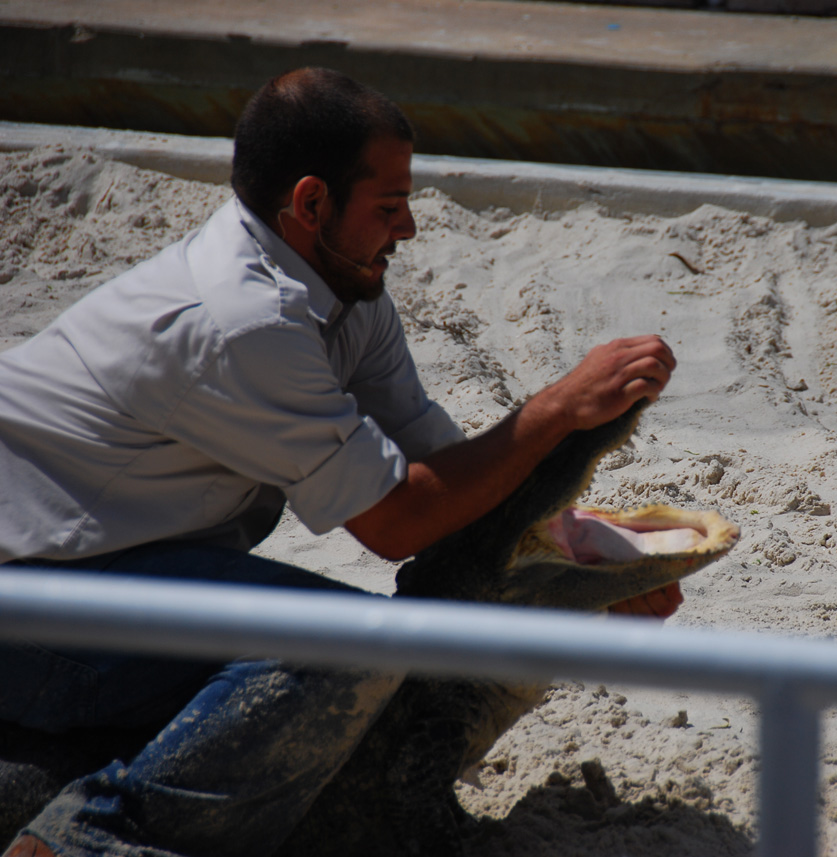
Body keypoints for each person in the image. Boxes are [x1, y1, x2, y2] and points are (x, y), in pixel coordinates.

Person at [0, 67, 679, 857]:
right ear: (312, 203)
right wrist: (557, 408)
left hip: (115, 561)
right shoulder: (243, 322)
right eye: (389, 207)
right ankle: (87, 843)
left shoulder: (341, 288)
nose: (410, 228)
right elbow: (399, 522)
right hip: (31, 598)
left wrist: (581, 553)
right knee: (353, 644)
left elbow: (444, 466)